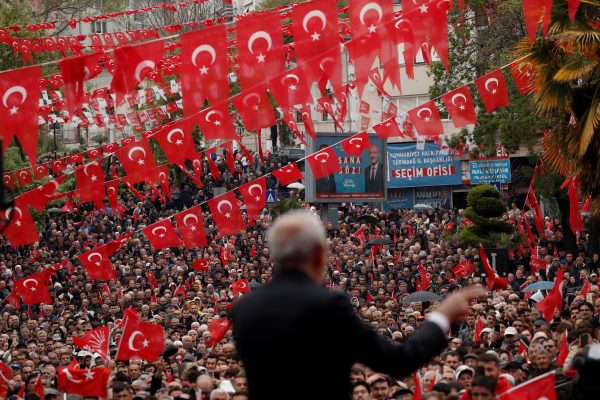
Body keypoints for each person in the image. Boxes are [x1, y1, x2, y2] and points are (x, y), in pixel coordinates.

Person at [231, 210, 484, 400]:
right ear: (319, 255)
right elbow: (398, 361)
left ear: (275, 255)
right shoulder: (329, 305)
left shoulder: (245, 309)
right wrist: (441, 316)